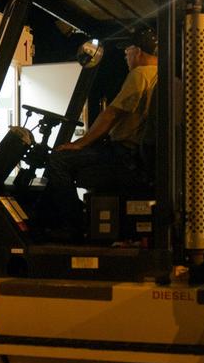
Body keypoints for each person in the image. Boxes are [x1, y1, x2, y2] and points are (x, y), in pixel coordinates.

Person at [40, 25, 159, 239]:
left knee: (59, 159)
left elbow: (112, 115)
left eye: (127, 51)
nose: (125, 55)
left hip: (123, 156)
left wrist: (81, 143)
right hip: (136, 156)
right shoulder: (160, 75)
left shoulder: (140, 74)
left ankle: (73, 226)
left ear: (138, 52)